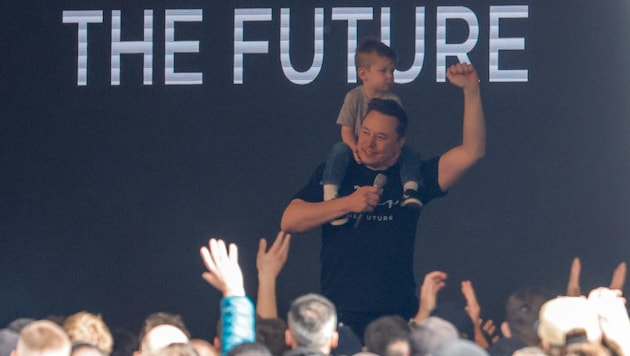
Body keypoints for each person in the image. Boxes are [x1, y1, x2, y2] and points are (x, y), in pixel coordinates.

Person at [281, 62, 486, 338]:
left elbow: (472, 151)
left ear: (399, 144)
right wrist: (346, 203)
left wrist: (471, 90)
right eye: (365, 132)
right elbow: (289, 220)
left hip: (395, 315)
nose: (368, 143)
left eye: (380, 137)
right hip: (339, 312)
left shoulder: (412, 177)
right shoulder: (338, 170)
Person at [321, 37, 425, 226]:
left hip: (385, 156)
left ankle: (410, 190)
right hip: (356, 150)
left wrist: (395, 152)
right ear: (363, 73)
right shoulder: (353, 97)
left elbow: (398, 134)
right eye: (383, 71)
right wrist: (354, 148)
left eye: (392, 71)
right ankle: (330, 196)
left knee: (410, 153)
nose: (390, 76)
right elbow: (346, 130)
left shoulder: (394, 100)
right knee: (338, 150)